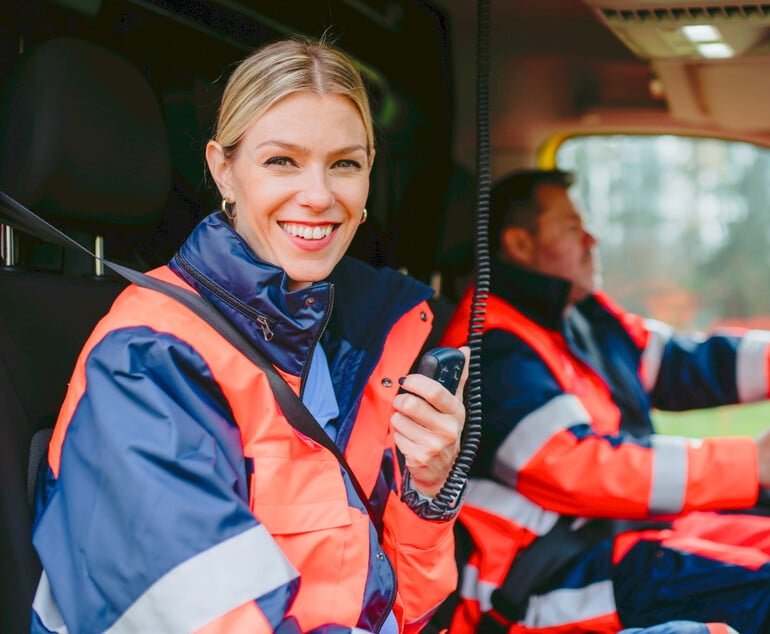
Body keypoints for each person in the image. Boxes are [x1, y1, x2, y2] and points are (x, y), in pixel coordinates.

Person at [31, 36, 469, 634]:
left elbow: (392, 611)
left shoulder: (337, 339)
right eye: (281, 161)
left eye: (345, 163)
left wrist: (425, 491)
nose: (318, 196)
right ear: (223, 170)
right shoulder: (149, 357)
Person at [440, 169, 770, 634]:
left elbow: (691, 364)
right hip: (541, 577)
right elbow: (577, 466)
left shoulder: (580, 317)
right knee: (768, 591)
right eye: (571, 228)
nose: (592, 240)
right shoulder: (490, 346)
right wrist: (753, 462)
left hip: (617, 530)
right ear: (519, 244)